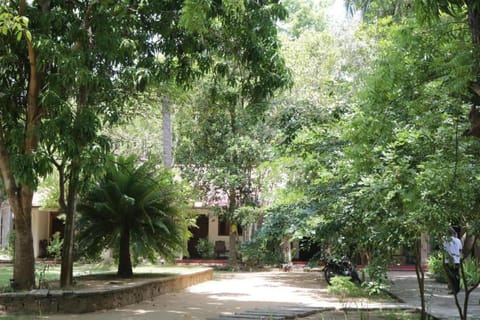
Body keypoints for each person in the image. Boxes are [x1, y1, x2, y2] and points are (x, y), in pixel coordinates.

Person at [443, 227, 462, 294]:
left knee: (451, 276)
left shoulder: (445, 240)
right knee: (456, 275)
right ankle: (457, 289)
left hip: (449, 261)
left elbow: (443, 249)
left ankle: (454, 289)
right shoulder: (458, 240)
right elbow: (460, 250)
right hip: (456, 260)